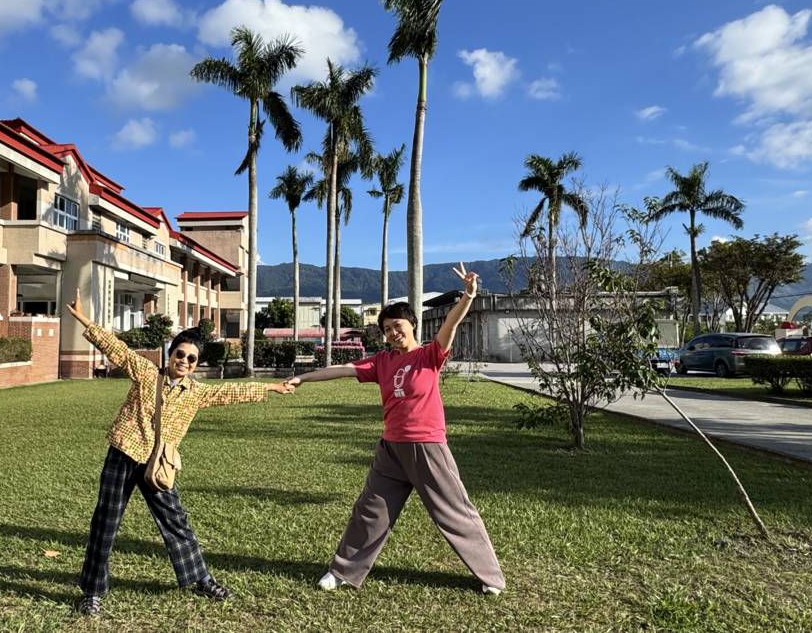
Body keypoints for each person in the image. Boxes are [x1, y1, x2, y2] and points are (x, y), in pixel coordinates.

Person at [65, 288, 295, 616]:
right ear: (170, 354)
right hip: (124, 453)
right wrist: (85, 319)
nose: (184, 361)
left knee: (176, 520)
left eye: (191, 358)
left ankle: (199, 578)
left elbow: (233, 391)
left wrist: (270, 387)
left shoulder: (196, 393)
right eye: (180, 354)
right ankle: (92, 591)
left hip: (159, 464)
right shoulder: (146, 374)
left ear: (196, 364)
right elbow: (116, 349)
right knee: (106, 521)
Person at [287, 263, 506, 596]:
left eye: (397, 326)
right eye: (386, 329)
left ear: (412, 325)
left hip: (427, 446)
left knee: (453, 513)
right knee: (369, 511)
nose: (391, 334)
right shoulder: (382, 362)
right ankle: (343, 571)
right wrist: (303, 378)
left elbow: (450, 324)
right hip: (391, 448)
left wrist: (467, 297)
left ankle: (491, 577)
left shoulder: (430, 355)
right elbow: (343, 369)